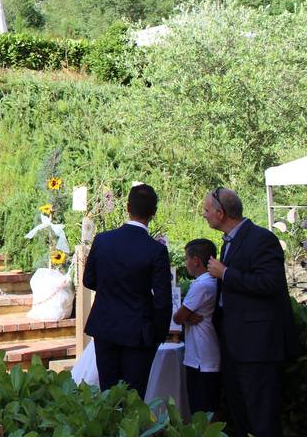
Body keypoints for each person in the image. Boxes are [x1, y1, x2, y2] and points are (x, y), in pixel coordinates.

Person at [203, 187, 297, 437]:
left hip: (258, 346)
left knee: (262, 417)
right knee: (241, 415)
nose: (204, 215)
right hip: (234, 342)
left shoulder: (261, 239)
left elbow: (270, 283)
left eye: (206, 210)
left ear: (221, 213)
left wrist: (225, 273)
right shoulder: (229, 242)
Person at [83, 184, 173, 398]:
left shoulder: (103, 240)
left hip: (105, 325)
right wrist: (159, 333)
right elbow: (162, 300)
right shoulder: (156, 250)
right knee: (134, 396)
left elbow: (89, 279)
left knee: (109, 392)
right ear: (153, 213)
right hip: (139, 331)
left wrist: (110, 291)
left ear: (127, 207)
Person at [173, 238, 221, 415]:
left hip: (202, 357)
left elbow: (178, 317)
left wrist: (184, 316)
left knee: (201, 408)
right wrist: (187, 317)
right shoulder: (214, 281)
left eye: (186, 259)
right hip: (207, 353)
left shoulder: (201, 285)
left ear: (196, 261)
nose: (185, 263)